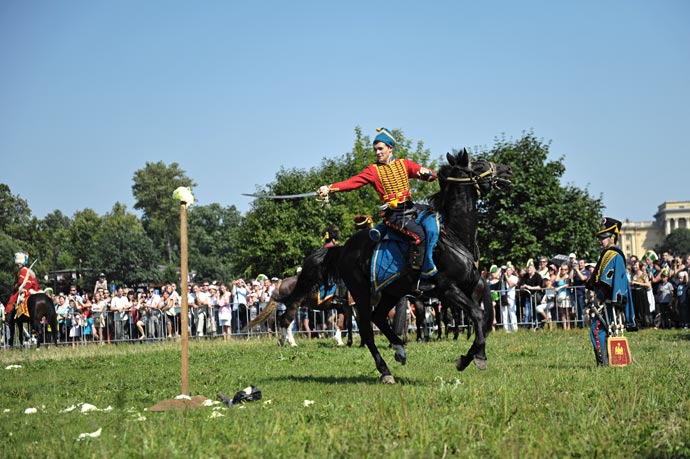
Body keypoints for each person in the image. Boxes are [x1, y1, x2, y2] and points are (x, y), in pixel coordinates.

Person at [317, 127, 437, 291]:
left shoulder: (404, 164)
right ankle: (420, 278)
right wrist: (330, 188)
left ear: (390, 148)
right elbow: (353, 182)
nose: (378, 152)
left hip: (410, 207)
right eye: (375, 150)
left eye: (380, 148)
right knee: (419, 235)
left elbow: (429, 175)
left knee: (435, 219)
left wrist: (426, 172)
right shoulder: (373, 170)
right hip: (394, 214)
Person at [586, 217, 635, 366]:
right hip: (611, 302)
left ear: (612, 237)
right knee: (605, 331)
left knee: (596, 331)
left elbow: (607, 281)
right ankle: (610, 361)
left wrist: (598, 298)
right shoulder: (612, 254)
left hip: (609, 302)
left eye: (603, 237)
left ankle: (603, 364)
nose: (600, 241)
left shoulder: (612, 255)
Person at [5, 252, 40, 317]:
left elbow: (21, 282)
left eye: (20, 262)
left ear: (23, 262)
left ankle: (11, 316)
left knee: (12, 300)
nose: (19, 264)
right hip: (29, 288)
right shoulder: (26, 270)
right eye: (18, 262)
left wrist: (15, 286)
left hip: (26, 289)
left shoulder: (23, 270)